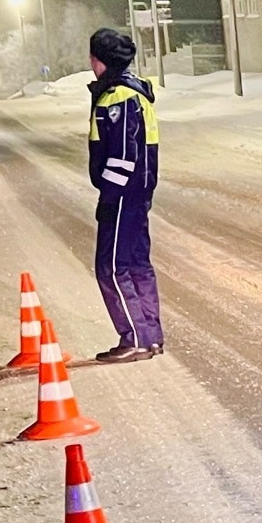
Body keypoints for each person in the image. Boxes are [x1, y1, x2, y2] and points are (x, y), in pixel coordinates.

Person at [85, 26, 164, 362]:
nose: (90, 63)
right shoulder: (133, 93)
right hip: (136, 195)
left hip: (122, 197)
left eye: (92, 57)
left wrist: (109, 197)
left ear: (100, 60)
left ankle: (134, 339)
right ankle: (150, 336)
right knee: (136, 264)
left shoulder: (118, 97)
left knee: (111, 266)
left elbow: (123, 155)